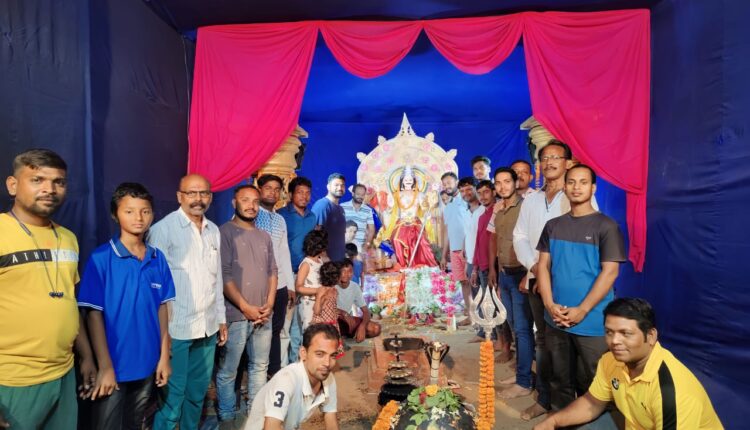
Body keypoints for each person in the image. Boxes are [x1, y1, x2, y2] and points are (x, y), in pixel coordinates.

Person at [0, 149, 95, 429]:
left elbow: (68, 301)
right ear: (13, 185)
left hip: (63, 374)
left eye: (58, 182)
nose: (49, 189)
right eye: (37, 180)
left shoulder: (68, 238)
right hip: (12, 381)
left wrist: (87, 356)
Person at [533, 298, 723, 430]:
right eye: (609, 332)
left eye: (626, 333)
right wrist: (553, 422)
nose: (615, 341)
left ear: (651, 336)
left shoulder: (671, 391)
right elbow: (593, 402)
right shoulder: (611, 360)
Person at [512, 140, 599, 420]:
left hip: (572, 284)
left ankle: (584, 411)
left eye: (555, 157)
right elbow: (519, 236)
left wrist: (550, 272)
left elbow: (588, 243)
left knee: (576, 347)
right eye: (544, 158)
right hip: (537, 278)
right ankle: (546, 400)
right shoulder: (532, 200)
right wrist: (535, 267)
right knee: (545, 343)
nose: (549, 162)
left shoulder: (578, 196)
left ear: (568, 162)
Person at [78, 182, 175, 429]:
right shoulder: (101, 258)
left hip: (147, 363)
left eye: (145, 211)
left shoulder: (158, 258)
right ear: (115, 214)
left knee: (134, 422)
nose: (138, 218)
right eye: (129, 211)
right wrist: (105, 366)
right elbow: (93, 315)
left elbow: (162, 308)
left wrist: (164, 357)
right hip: (114, 365)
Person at [536, 164, 626, 413]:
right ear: (564, 187)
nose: (577, 187)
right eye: (572, 182)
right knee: (559, 380)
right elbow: (542, 266)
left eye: (583, 182)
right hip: (556, 318)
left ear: (593, 188)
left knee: (596, 382)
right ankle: (562, 421)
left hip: (592, 320)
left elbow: (610, 272)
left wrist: (583, 310)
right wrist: (549, 304)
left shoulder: (606, 226)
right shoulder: (553, 226)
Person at [149, 174, 228, 430]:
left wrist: (221, 318)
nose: (198, 199)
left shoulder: (213, 230)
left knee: (196, 395)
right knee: (172, 399)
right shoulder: (163, 230)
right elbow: (154, 287)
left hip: (207, 327)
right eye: (191, 193)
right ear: (179, 196)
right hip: (176, 329)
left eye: (203, 193)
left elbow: (216, 277)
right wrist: (162, 332)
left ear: (210, 197)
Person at [216, 185, 278, 429]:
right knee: (228, 371)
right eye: (245, 200)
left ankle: (255, 413)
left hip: (264, 314)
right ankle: (227, 417)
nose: (251, 206)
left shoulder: (264, 236)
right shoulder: (224, 232)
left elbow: (272, 271)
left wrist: (269, 303)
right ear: (234, 203)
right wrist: (245, 307)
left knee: (260, 367)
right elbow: (224, 275)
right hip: (236, 315)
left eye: (255, 201)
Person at [488, 168, 535, 399]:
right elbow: (497, 242)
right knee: (514, 326)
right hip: (505, 275)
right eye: (498, 183)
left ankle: (524, 382)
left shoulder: (527, 207)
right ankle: (521, 373)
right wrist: (495, 271)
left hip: (521, 275)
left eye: (507, 181)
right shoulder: (499, 210)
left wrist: (530, 274)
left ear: (516, 183)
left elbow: (535, 242)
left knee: (523, 329)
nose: (503, 186)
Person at [245, 324, 340, 430]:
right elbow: (271, 426)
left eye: (332, 356)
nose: (327, 363)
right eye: (319, 354)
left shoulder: (328, 378)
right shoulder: (286, 380)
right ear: (303, 353)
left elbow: (331, 422)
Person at [255, 174, 295, 378]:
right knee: (257, 332)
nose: (272, 192)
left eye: (276, 189)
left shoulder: (280, 220)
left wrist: (290, 285)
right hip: (258, 286)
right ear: (259, 189)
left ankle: (274, 373)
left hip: (280, 285)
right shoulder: (252, 216)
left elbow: (284, 252)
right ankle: (256, 374)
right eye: (268, 188)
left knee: (276, 330)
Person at [277, 176, 317, 369]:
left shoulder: (312, 217)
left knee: (302, 323)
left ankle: (297, 363)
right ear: (291, 194)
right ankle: (282, 367)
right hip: (287, 275)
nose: (304, 196)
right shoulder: (281, 216)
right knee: (286, 322)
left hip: (307, 276)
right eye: (300, 192)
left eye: (307, 193)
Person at [379, 165, 438, 268]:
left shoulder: (419, 195)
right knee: (396, 239)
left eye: (410, 180)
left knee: (421, 240)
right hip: (401, 224)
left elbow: (424, 209)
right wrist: (387, 206)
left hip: (415, 223)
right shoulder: (396, 195)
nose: (408, 181)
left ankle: (420, 266)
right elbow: (391, 210)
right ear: (402, 181)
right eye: (406, 180)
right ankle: (402, 266)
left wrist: (427, 212)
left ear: (414, 181)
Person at [468, 180, 501, 344]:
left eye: (486, 192)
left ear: (494, 192)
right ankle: (488, 335)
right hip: (481, 265)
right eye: (479, 193)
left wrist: (493, 267)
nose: (482, 196)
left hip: (492, 265)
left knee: (494, 301)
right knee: (485, 300)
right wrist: (474, 268)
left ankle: (498, 338)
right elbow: (478, 243)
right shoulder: (481, 217)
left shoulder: (499, 212)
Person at [291, 229, 329, 364]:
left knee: (317, 334)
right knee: (309, 334)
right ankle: (304, 363)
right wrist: (317, 291)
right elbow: (299, 287)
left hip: (319, 303)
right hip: (307, 304)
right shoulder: (306, 264)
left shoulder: (320, 261)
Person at [440, 172, 470, 324]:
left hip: (468, 249)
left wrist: (467, 247)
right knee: (463, 282)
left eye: (449, 182)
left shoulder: (466, 201)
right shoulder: (448, 206)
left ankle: (479, 316)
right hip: (454, 250)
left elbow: (470, 226)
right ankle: (470, 316)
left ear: (456, 182)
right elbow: (448, 232)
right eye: (444, 184)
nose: (447, 186)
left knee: (472, 281)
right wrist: (444, 255)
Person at [336, 259, 381, 342]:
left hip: (346, 320)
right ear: (338, 272)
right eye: (343, 271)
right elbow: (326, 308)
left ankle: (356, 333)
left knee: (376, 328)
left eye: (349, 271)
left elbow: (366, 311)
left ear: (353, 273)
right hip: (334, 318)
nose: (346, 274)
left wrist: (362, 326)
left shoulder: (355, 287)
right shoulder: (332, 285)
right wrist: (344, 313)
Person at [310, 262, 344, 357]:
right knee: (325, 351)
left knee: (329, 351)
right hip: (323, 326)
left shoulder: (334, 290)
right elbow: (317, 310)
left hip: (331, 324)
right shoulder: (324, 291)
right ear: (336, 277)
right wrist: (319, 297)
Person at [312, 173, 347, 261]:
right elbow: (315, 233)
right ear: (328, 187)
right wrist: (323, 255)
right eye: (336, 185)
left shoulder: (340, 209)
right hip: (326, 261)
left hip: (339, 260)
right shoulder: (322, 205)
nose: (340, 188)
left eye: (342, 185)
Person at [462, 177, 484, 282]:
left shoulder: (485, 209)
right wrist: (467, 263)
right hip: (470, 261)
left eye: (469, 189)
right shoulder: (465, 212)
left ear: (476, 189)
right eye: (462, 191)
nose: (465, 193)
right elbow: (467, 235)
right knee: (474, 292)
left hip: (484, 263)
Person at [340, 183, 375, 251]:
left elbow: (371, 230)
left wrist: (366, 246)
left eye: (363, 195)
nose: (360, 197)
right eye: (358, 194)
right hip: (344, 247)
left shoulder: (368, 210)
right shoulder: (342, 207)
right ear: (353, 194)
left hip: (359, 249)